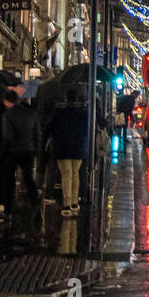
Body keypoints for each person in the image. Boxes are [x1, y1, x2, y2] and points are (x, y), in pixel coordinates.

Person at [0, 90, 41, 219]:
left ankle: (8, 209)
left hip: (12, 151)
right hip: (28, 150)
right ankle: (35, 204)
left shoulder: (7, 115)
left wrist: (3, 151)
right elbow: (37, 133)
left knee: (9, 180)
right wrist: (37, 150)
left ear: (7, 101)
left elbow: (7, 136)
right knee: (28, 178)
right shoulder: (32, 114)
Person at [46, 87, 89, 218]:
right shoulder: (83, 113)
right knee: (75, 173)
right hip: (79, 147)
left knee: (66, 174)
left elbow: (48, 127)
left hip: (63, 147)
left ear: (66, 98)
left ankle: (67, 205)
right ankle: (75, 203)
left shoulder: (59, 112)